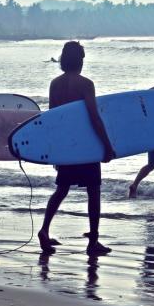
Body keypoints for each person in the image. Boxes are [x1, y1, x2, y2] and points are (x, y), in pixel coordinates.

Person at [37, 41, 116, 256]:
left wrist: (54, 148)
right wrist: (107, 145)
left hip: (65, 145)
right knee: (93, 191)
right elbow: (94, 117)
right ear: (80, 60)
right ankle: (93, 241)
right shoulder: (85, 84)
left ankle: (44, 230)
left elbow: (52, 117)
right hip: (85, 145)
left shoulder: (55, 84)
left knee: (62, 189)